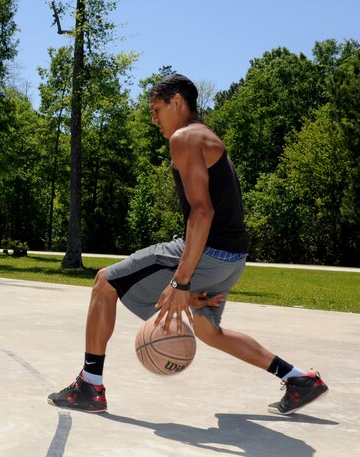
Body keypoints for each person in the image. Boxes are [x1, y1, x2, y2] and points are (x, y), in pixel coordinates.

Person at [47, 74, 328, 416]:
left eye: (156, 109)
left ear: (177, 102)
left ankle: (90, 386)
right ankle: (299, 379)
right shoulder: (206, 136)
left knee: (106, 282)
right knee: (208, 332)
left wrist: (181, 282)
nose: (153, 119)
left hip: (208, 251)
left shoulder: (184, 137)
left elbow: (202, 211)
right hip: (233, 260)